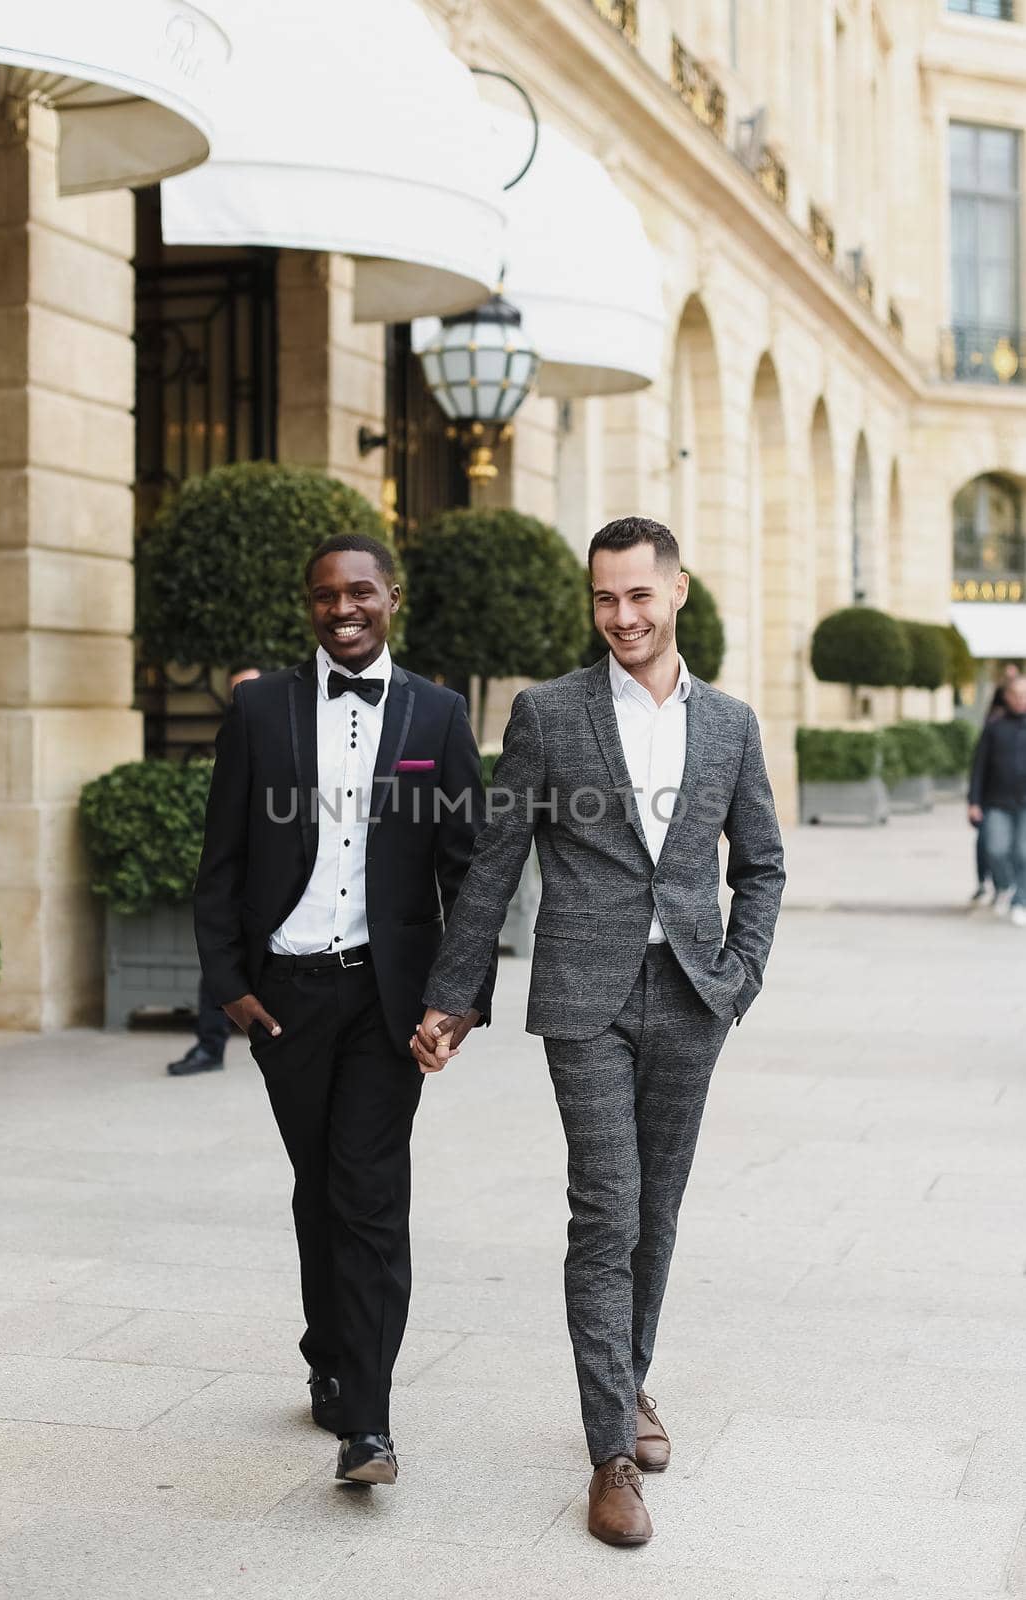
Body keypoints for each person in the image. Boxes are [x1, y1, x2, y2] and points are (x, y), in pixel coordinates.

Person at [412, 516, 785, 1548]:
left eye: (636, 596)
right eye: (602, 598)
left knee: (655, 1209)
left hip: (692, 995)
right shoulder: (548, 713)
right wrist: (455, 994)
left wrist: (740, 974)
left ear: (676, 595)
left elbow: (758, 861)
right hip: (584, 998)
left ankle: (630, 1382)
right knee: (605, 1206)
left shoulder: (731, 725)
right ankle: (608, 1451)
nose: (620, 616)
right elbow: (492, 864)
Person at [193, 534, 494, 1487]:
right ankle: (327, 1353)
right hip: (284, 998)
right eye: (324, 595)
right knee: (316, 1185)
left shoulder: (437, 715)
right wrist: (231, 987)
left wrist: (459, 1000)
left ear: (391, 597)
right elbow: (223, 861)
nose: (342, 608)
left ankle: (368, 1421)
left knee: (368, 1194)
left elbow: (470, 871)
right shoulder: (259, 707)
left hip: (383, 999)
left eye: (359, 591)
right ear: (309, 607)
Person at [169, 666, 263, 1077]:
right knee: (218, 966)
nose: (240, 698)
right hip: (239, 883)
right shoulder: (235, 738)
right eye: (235, 692)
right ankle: (210, 1045)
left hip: (277, 889)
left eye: (249, 689)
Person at [968, 672, 1026, 927]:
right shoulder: (995, 727)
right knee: (996, 849)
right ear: (1007, 697)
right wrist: (974, 801)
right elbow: (979, 766)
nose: (1021, 700)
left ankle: (1020, 901)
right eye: (1016, 694)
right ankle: (1005, 886)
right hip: (997, 801)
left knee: (1023, 853)